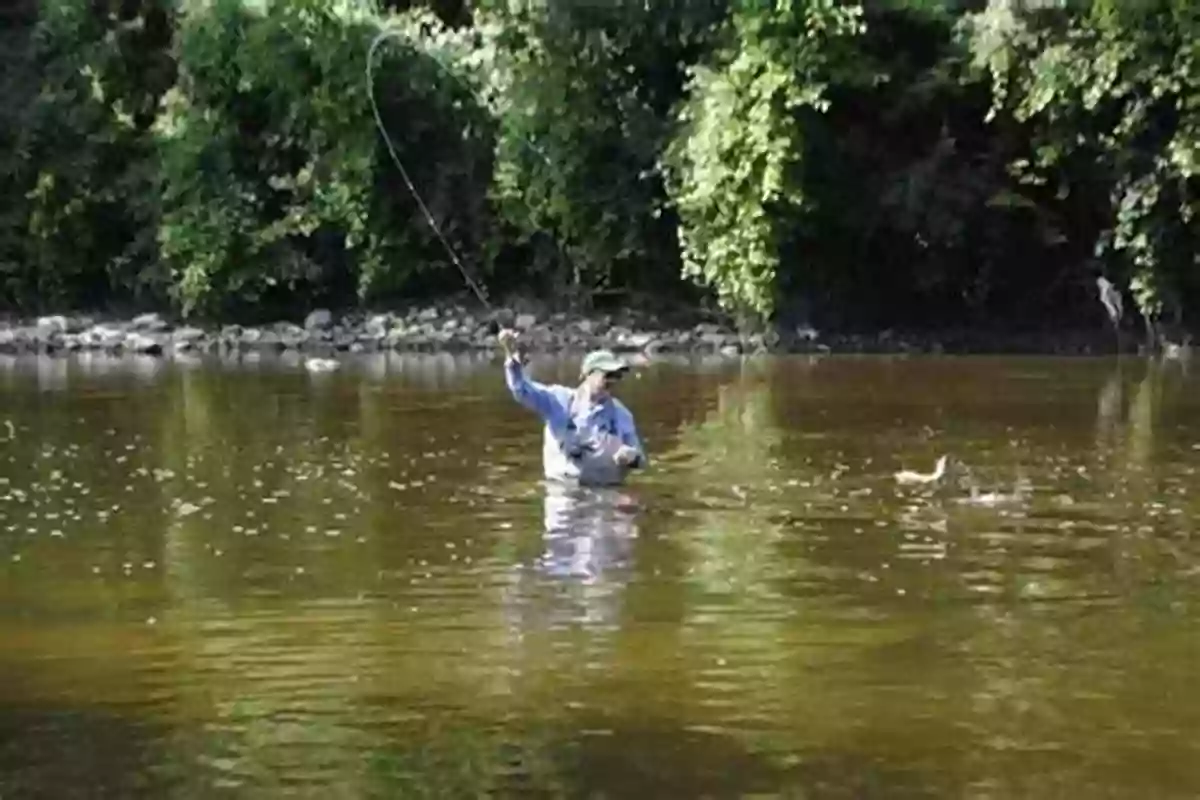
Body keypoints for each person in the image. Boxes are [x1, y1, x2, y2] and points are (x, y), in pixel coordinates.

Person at [498, 327, 647, 486]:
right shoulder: (558, 400)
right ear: (588, 375)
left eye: (618, 376)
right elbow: (521, 390)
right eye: (608, 375)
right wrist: (512, 358)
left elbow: (640, 461)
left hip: (606, 492)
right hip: (562, 492)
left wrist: (632, 457)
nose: (614, 380)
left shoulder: (622, 414)